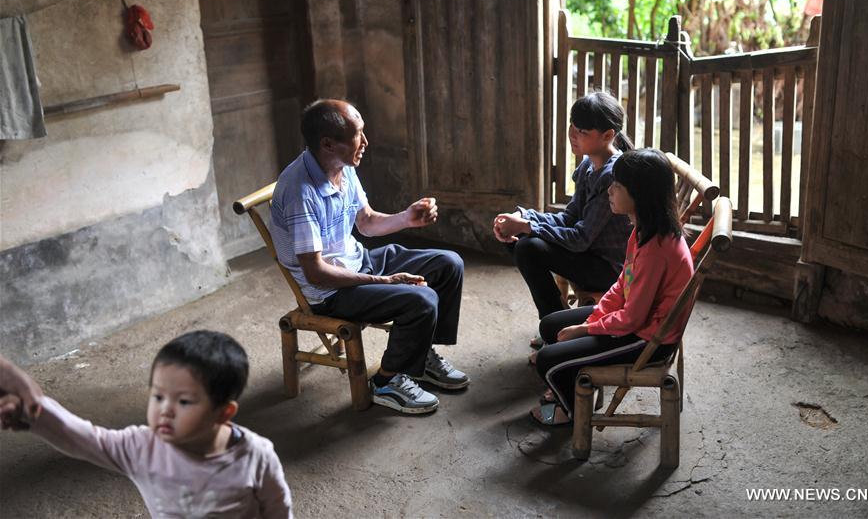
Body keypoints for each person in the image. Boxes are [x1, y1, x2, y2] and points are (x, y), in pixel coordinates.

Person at [269, 99, 468, 415]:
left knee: (448, 264)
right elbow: (316, 273)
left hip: (357, 261)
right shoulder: (300, 192)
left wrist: (407, 218)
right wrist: (385, 281)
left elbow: (366, 222)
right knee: (422, 299)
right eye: (357, 135)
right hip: (329, 292)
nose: (365, 141)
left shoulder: (341, 167)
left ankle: (420, 356)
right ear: (328, 144)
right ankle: (386, 381)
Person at [0, 332, 293, 518]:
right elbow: (83, 438)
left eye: (184, 401)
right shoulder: (142, 447)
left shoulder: (256, 455)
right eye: (158, 396)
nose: (165, 411)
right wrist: (33, 412)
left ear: (223, 412)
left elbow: (279, 510)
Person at [530, 148, 694, 426]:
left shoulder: (656, 249)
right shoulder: (643, 229)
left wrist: (585, 329)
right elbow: (622, 284)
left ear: (640, 195)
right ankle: (577, 385)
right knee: (550, 326)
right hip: (635, 320)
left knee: (548, 359)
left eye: (617, 185)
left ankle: (570, 411)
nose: (610, 190)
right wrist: (595, 318)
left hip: (647, 340)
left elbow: (632, 319)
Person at [493, 91, 633, 345]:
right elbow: (569, 218)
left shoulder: (611, 176)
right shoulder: (588, 164)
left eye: (582, 131)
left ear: (607, 136)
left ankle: (556, 328)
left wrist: (528, 226)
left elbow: (580, 239)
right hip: (589, 253)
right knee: (518, 240)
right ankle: (557, 322)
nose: (572, 134)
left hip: (609, 269)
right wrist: (523, 217)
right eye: (572, 126)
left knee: (528, 247)